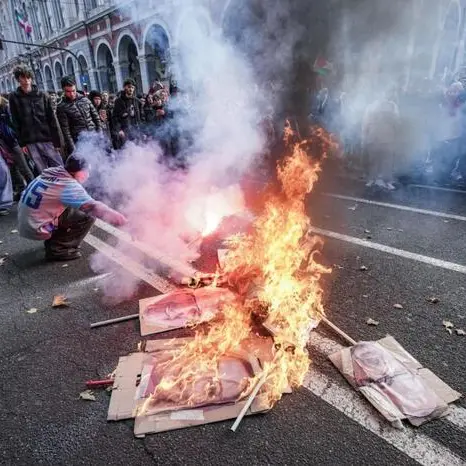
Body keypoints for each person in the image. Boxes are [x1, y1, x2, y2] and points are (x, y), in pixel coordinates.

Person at [17, 156, 127, 261]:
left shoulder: (54, 173)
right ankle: (59, 249)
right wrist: (121, 219)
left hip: (27, 221)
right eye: (86, 171)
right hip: (38, 227)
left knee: (71, 208)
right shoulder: (68, 185)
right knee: (87, 216)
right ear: (77, 172)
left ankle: (54, 240)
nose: (88, 175)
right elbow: (93, 207)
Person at [8, 67, 63, 173]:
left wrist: (57, 141)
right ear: (18, 79)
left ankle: (66, 188)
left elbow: (52, 118)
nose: (26, 80)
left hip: (47, 138)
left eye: (28, 77)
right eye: (23, 77)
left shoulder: (42, 95)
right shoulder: (14, 97)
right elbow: (15, 122)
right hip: (30, 141)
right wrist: (22, 143)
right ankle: (49, 189)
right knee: (43, 172)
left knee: (59, 167)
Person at [57, 76, 102, 156]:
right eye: (68, 91)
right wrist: (74, 150)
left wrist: (100, 134)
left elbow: (96, 117)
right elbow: (66, 131)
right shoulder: (61, 107)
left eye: (73, 91)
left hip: (94, 135)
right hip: (80, 142)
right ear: (63, 90)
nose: (71, 94)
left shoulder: (85, 99)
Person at [112, 78, 142, 149]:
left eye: (132, 87)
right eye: (129, 87)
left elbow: (142, 116)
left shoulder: (137, 101)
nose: (131, 89)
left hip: (136, 130)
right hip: (125, 131)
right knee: (127, 151)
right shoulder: (118, 101)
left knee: (138, 150)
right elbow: (115, 117)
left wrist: (142, 130)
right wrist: (119, 130)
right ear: (124, 87)